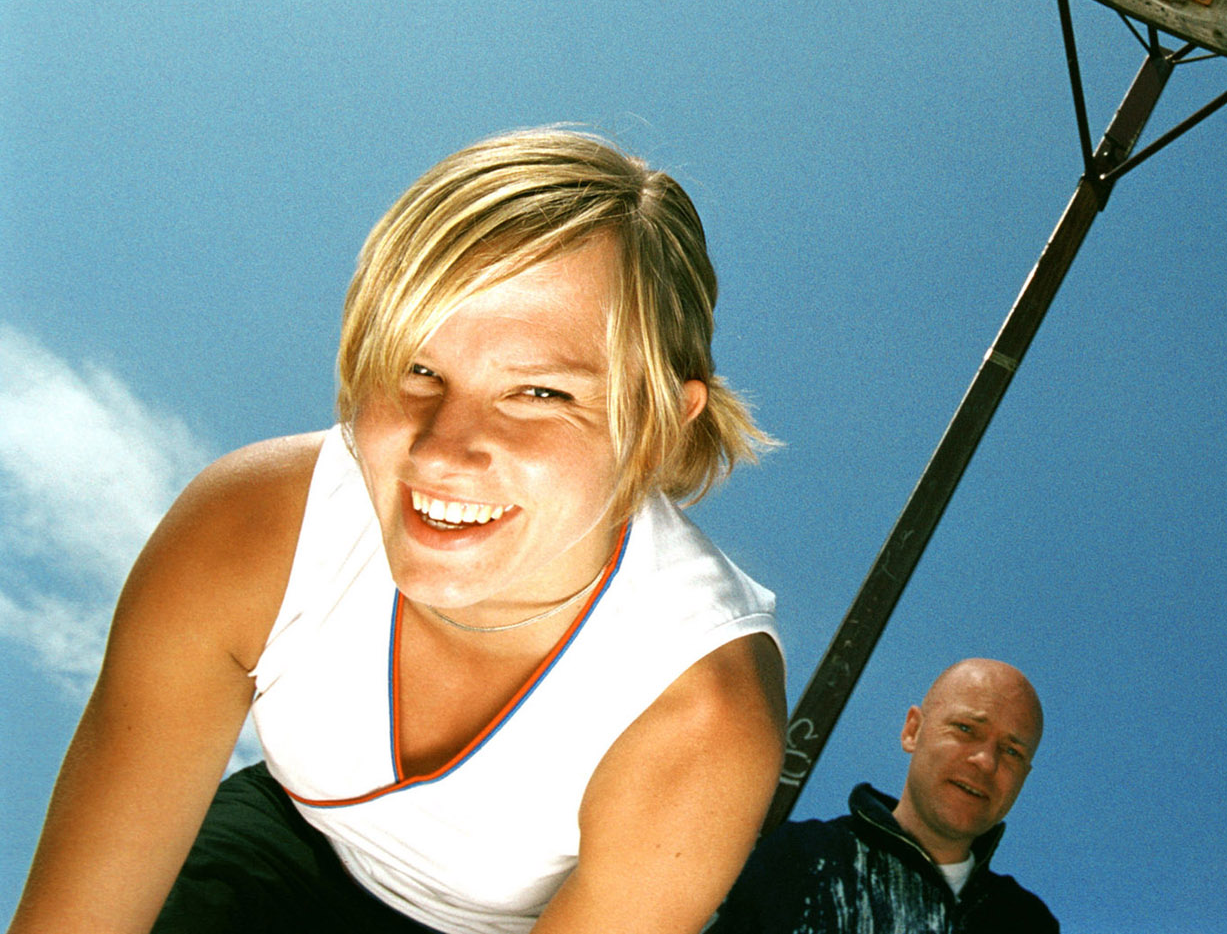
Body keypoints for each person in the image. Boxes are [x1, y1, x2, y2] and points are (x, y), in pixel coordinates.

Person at [12, 128, 786, 934]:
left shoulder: (699, 709)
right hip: (278, 849)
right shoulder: (253, 527)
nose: (441, 450)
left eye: (539, 393)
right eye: (419, 368)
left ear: (656, 428)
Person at [714, 658, 1056, 933]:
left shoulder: (1026, 923)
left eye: (1012, 752)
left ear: (1023, 777)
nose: (985, 761)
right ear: (913, 731)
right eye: (966, 729)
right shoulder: (797, 858)